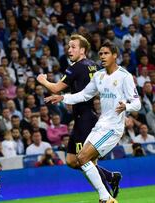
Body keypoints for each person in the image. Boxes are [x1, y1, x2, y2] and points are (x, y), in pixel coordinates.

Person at [45, 41, 141, 203]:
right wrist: (63, 97)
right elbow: (84, 95)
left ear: (115, 55)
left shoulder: (124, 76)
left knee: (82, 159)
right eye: (101, 54)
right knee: (80, 160)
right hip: (100, 126)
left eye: (106, 53)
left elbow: (137, 104)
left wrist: (126, 106)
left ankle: (106, 198)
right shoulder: (99, 75)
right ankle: (108, 192)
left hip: (113, 128)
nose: (102, 56)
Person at [37, 34, 121, 197]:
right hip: (82, 118)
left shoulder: (75, 67)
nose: (69, 50)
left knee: (86, 161)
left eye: (73, 46)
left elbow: (55, 89)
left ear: (82, 50)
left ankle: (106, 196)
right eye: (68, 47)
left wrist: (43, 80)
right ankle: (111, 177)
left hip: (86, 120)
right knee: (71, 161)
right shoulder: (94, 65)